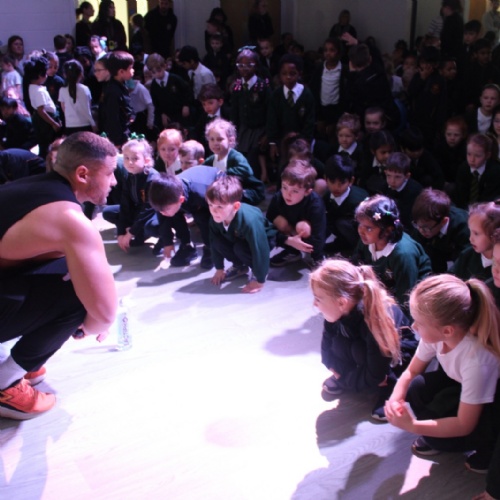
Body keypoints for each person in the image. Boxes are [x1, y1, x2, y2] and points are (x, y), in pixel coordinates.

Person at [0, 132, 118, 420]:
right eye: (110, 173)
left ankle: (24, 361)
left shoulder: (29, 188)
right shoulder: (70, 220)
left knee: (71, 271)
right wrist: (84, 325)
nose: (114, 181)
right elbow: (105, 315)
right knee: (77, 300)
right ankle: (4, 384)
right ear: (82, 174)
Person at [385, 274, 500, 474]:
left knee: (441, 436)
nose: (413, 326)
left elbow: (464, 424)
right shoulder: (437, 336)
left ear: (447, 330)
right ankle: (438, 436)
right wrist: (396, 397)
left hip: (492, 405)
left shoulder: (476, 360)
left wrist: (413, 426)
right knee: (416, 388)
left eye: (419, 323)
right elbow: (412, 371)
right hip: (461, 385)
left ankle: (488, 449)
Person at [310, 258, 417, 420]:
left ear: (341, 302)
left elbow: (376, 373)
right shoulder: (337, 313)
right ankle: (353, 377)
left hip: (396, 358)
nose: (314, 303)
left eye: (318, 299)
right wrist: (341, 373)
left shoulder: (374, 321)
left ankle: (391, 386)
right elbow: (327, 352)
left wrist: (345, 378)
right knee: (340, 344)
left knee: (358, 351)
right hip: (371, 356)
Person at [352, 194, 432, 309]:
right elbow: (356, 265)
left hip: (410, 296)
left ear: (387, 231)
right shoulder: (368, 240)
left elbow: (406, 297)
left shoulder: (403, 255)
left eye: (369, 228)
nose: (361, 231)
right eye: (360, 224)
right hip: (384, 288)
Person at [207, 175, 276, 294]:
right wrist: (219, 268)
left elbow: (260, 249)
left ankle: (256, 270)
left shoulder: (250, 220)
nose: (213, 210)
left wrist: (260, 280)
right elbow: (213, 242)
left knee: (240, 248)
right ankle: (240, 267)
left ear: (236, 206)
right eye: (210, 205)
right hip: (239, 238)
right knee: (218, 242)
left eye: (219, 206)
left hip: (264, 240)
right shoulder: (216, 218)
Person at [149, 166, 222, 268]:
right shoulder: (166, 197)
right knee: (172, 215)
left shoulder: (201, 194)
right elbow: (163, 219)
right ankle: (187, 246)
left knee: (202, 217)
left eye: (165, 209)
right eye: (159, 209)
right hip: (185, 198)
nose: (162, 212)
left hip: (215, 185)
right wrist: (167, 242)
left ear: (181, 200)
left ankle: (210, 248)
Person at [102, 137, 161, 255]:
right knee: (108, 212)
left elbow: (148, 210)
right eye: (126, 158)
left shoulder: (152, 179)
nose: (130, 162)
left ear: (146, 161)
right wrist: (121, 233)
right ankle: (139, 233)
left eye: (135, 158)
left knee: (154, 226)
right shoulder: (129, 175)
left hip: (154, 212)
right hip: (138, 209)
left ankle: (162, 238)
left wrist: (130, 233)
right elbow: (125, 204)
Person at [266, 160, 325, 268]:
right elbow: (267, 226)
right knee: (279, 222)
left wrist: (313, 250)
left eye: (295, 191)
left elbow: (319, 238)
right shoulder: (279, 197)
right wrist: (288, 241)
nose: (287, 194)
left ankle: (316, 258)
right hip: (289, 234)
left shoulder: (315, 204)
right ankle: (292, 251)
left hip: (307, 237)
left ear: (307, 192)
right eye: (284, 187)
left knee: (303, 227)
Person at [203, 118, 265, 206]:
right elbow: (202, 170)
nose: (215, 143)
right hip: (224, 193)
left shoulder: (235, 156)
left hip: (246, 191)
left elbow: (246, 170)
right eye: (212, 139)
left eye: (219, 139)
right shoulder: (211, 159)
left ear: (230, 140)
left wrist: (223, 173)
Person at [230, 47, 270, 182]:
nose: (244, 69)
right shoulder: (237, 86)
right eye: (241, 65)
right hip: (243, 129)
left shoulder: (263, 86)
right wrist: (232, 131)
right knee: (241, 158)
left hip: (259, 129)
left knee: (254, 160)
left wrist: (267, 134)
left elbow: (269, 111)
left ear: (256, 66)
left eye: (249, 65)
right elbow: (234, 111)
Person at [267, 54, 316, 163]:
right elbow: (272, 120)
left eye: (292, 73)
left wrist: (304, 142)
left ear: (299, 74)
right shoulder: (276, 95)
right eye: (284, 74)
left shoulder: (307, 95)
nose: (288, 77)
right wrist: (273, 143)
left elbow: (309, 122)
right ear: (280, 75)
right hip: (281, 142)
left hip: (302, 143)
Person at [411, 188, 470, 274]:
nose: (420, 231)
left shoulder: (464, 227)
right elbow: (416, 250)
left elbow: (463, 262)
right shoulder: (422, 224)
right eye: (417, 225)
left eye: (425, 228)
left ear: (444, 221)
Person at [323, 154, 368, 257]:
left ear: (351, 181)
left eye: (341, 183)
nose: (336, 187)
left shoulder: (359, 202)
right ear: (325, 179)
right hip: (338, 237)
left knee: (342, 223)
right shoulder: (327, 197)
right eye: (332, 182)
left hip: (359, 239)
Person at [450, 201, 500, 282]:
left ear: (494, 234)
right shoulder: (467, 255)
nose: (471, 238)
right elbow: (451, 277)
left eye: (476, 233)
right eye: (470, 231)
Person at [23, 56, 62, 159]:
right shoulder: (39, 91)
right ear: (41, 75)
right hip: (46, 121)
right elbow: (41, 111)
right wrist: (54, 123)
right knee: (48, 145)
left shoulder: (31, 87)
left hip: (42, 118)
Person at [309, 38, 345, 138]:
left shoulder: (344, 70)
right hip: (322, 109)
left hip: (337, 110)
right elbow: (314, 90)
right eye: (326, 50)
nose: (328, 53)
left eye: (332, 50)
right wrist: (318, 115)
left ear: (338, 52)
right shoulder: (319, 68)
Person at [453, 133, 500, 209]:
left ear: (487, 155)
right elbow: (459, 194)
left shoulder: (495, 171)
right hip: (464, 208)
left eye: (477, 156)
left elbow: (489, 198)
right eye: (469, 154)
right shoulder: (464, 168)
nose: (472, 160)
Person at [146, 53, 191, 130]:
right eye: (154, 72)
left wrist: (186, 105)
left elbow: (187, 91)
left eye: (159, 70)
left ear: (164, 66)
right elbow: (156, 104)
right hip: (167, 117)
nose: (157, 74)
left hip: (180, 113)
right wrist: (162, 114)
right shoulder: (154, 86)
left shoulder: (175, 79)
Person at [100, 51, 135, 147]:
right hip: (118, 138)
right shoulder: (113, 91)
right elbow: (112, 118)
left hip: (125, 129)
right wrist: (118, 141)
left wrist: (131, 115)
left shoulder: (122, 85)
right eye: (130, 68)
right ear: (121, 72)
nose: (133, 70)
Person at [382, 152, 423, 231]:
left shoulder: (415, 192)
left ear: (407, 176)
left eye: (397, 177)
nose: (392, 181)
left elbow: (408, 219)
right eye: (389, 175)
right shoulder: (385, 187)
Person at [58, 59, 95, 135]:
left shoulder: (62, 90)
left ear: (64, 75)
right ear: (81, 74)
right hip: (86, 125)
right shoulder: (85, 89)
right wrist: (93, 124)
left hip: (70, 125)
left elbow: (63, 108)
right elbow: (88, 108)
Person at [195, 82, 230, 157]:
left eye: (210, 103)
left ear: (220, 102)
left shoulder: (229, 114)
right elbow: (199, 135)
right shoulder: (203, 118)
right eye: (204, 104)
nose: (207, 107)